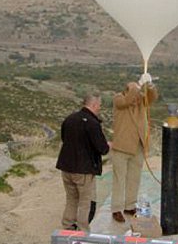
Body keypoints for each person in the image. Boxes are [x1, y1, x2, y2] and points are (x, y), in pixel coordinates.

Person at [56, 94, 111, 231]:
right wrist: (109, 145)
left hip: (66, 167)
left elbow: (64, 138)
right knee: (84, 202)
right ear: (93, 105)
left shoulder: (69, 119)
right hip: (84, 169)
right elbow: (102, 148)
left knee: (71, 199)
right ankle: (82, 230)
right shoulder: (92, 123)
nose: (99, 108)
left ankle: (67, 226)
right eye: (99, 105)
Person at [110, 73, 159, 222]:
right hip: (122, 146)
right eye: (135, 91)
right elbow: (127, 101)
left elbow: (152, 97)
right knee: (119, 179)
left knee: (134, 178)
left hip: (137, 146)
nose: (137, 96)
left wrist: (150, 86)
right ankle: (116, 208)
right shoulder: (119, 99)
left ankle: (130, 205)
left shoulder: (141, 101)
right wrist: (137, 85)